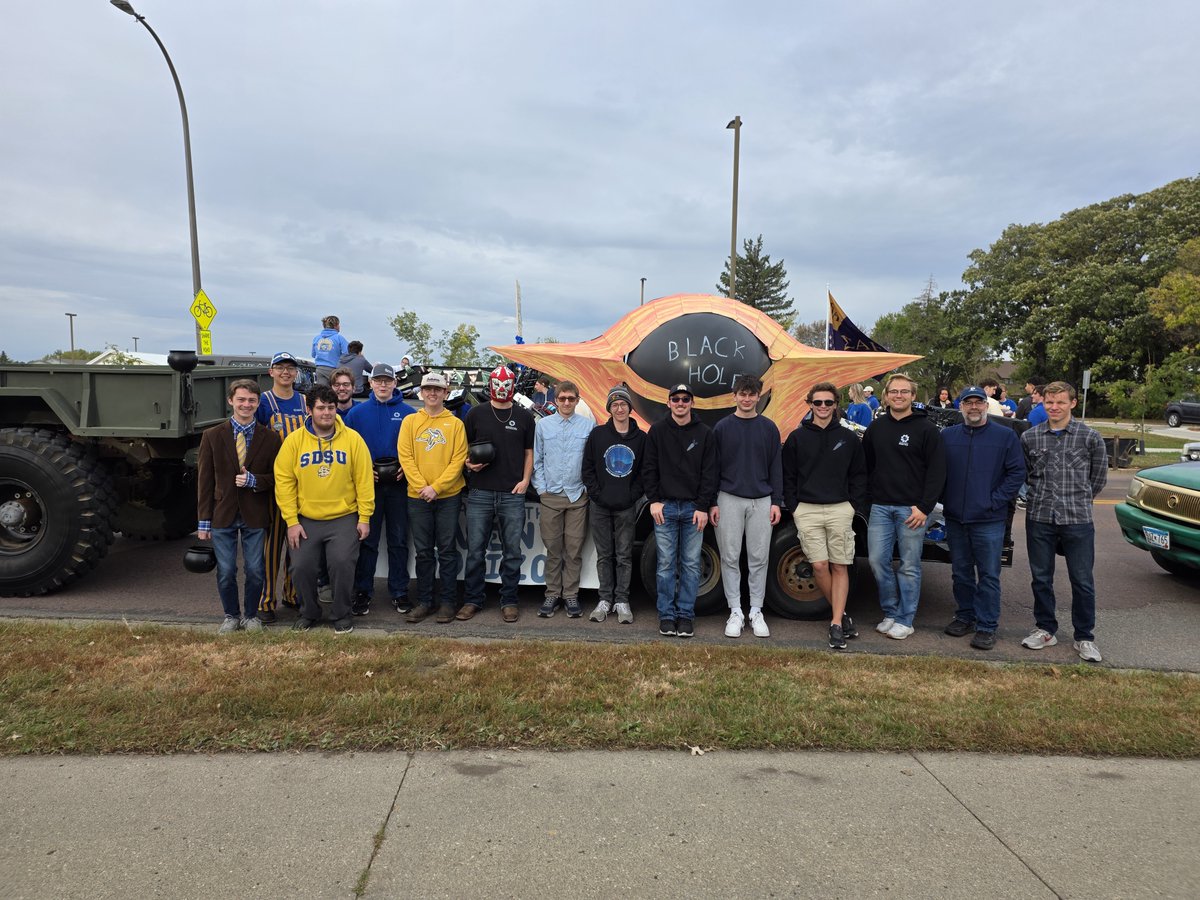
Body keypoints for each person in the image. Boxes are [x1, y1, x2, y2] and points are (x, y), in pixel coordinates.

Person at [274, 384, 374, 634]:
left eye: (331, 407)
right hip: (306, 518)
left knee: (341, 563)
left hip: (343, 516)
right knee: (301, 566)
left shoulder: (353, 439)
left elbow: (363, 480)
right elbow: (284, 481)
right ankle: (309, 612)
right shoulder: (294, 441)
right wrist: (291, 521)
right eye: (321, 408)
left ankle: (341, 614)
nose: (327, 413)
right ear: (310, 410)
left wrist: (364, 517)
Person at [1020, 381, 1108, 662]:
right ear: (1042, 404)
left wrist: (1078, 499)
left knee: (1082, 580)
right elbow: (1026, 475)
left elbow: (1098, 478)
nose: (1054, 407)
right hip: (1040, 517)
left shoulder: (1089, 437)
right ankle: (1045, 629)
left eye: (1059, 402)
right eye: (1049, 402)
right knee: (1041, 578)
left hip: (1077, 519)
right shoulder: (1031, 438)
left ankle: (1084, 636)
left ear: (1072, 403)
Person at [782, 381, 868, 650]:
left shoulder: (848, 438)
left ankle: (835, 624)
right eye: (817, 402)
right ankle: (841, 615)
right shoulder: (797, 438)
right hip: (806, 509)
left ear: (835, 405)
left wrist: (852, 505)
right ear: (809, 405)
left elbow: (859, 475)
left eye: (828, 402)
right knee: (819, 566)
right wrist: (794, 506)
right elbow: (788, 476)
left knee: (840, 566)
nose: (822, 407)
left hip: (840, 509)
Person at [940, 386, 1026, 650]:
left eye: (979, 402)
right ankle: (965, 615)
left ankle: (987, 625)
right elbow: (936, 471)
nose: (974, 407)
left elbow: (1016, 473)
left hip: (989, 520)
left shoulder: (1004, 436)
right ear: (961, 407)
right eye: (969, 403)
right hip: (956, 518)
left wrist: (993, 502)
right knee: (961, 572)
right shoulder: (947, 436)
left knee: (988, 575)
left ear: (986, 406)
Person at [862, 373, 946, 640]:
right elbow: (867, 465)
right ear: (886, 396)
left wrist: (923, 507)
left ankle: (905, 619)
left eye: (904, 392)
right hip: (881, 508)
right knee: (877, 561)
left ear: (913, 396)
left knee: (909, 565)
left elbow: (937, 472)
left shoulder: (927, 430)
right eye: (894, 391)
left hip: (912, 510)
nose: (898, 396)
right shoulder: (876, 428)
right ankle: (890, 612)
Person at [196, 379, 282, 634]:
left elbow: (278, 477)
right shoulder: (212, 436)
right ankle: (231, 615)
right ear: (231, 401)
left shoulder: (270, 438)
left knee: (256, 570)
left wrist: (254, 480)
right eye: (241, 399)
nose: (246, 405)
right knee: (226, 570)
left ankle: (252, 615)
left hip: (255, 513)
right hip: (223, 513)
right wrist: (204, 521)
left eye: (252, 400)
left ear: (258, 403)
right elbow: (205, 480)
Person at [460, 364, 535, 624]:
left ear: (513, 386)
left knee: (512, 550)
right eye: (497, 383)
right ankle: (473, 599)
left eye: (506, 384)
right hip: (480, 491)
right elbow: (464, 449)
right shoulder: (475, 414)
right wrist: (468, 465)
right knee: (475, 550)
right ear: (490, 384)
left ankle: (509, 600)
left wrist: (526, 480)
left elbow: (529, 452)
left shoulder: (525, 416)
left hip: (512, 492)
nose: (501, 388)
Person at [643, 383, 718, 638]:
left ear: (692, 403)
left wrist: (702, 506)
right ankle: (666, 615)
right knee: (665, 565)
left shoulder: (705, 433)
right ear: (668, 403)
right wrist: (653, 500)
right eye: (676, 399)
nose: (680, 403)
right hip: (664, 507)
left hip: (693, 510)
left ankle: (685, 615)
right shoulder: (657, 431)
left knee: (691, 564)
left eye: (685, 399)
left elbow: (710, 473)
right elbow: (649, 468)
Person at [709, 375, 782, 639]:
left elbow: (776, 467)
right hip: (728, 498)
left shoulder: (769, 428)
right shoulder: (722, 428)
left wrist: (776, 501)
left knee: (758, 558)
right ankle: (735, 611)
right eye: (743, 394)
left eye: (752, 394)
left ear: (759, 397)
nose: (747, 399)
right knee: (729, 557)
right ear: (735, 396)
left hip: (761, 500)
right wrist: (712, 502)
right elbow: (713, 468)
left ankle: (756, 610)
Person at [397, 372, 468, 624]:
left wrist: (436, 488)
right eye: (428, 389)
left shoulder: (456, 424)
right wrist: (421, 486)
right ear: (421, 392)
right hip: (417, 497)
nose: (432, 393)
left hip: (448, 496)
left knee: (448, 550)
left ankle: (448, 602)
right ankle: (425, 601)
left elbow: (458, 460)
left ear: (446, 393)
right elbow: (405, 457)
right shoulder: (410, 422)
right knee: (424, 552)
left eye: (437, 390)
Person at [344, 363, 414, 617]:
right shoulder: (356, 413)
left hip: (398, 484)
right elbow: (347, 450)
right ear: (370, 383)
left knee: (398, 541)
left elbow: (414, 449)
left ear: (395, 383)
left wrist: (407, 467)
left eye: (388, 380)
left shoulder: (409, 413)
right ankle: (363, 591)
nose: (383, 385)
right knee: (367, 541)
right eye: (378, 380)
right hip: (368, 485)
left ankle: (399, 591)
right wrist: (360, 472)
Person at [582, 385, 645, 625]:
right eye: (615, 405)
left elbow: (644, 473)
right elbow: (587, 468)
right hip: (600, 504)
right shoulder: (598, 435)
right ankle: (605, 599)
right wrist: (597, 494)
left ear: (630, 408)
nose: (620, 408)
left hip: (626, 506)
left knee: (624, 555)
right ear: (609, 409)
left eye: (623, 404)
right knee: (604, 554)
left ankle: (622, 601)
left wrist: (632, 495)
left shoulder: (641, 438)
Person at [254, 351, 308, 622]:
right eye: (280, 367)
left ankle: (292, 593)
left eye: (290, 368)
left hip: (304, 484)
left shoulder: (305, 401)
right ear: (271, 372)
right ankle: (265, 601)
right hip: (276, 483)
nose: (286, 372)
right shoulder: (263, 402)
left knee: (297, 543)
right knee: (271, 546)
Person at [533, 380, 592, 618]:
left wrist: (586, 489)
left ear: (577, 400)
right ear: (555, 400)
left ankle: (570, 595)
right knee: (553, 548)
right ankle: (552, 594)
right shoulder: (543, 426)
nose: (566, 402)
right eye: (562, 398)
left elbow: (591, 461)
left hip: (578, 496)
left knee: (574, 549)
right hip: (551, 496)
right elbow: (537, 460)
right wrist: (542, 490)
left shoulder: (588, 426)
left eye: (571, 398)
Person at [312, 315, 349, 385]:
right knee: (336, 391)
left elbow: (313, 354)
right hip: (333, 369)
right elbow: (347, 353)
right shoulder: (339, 338)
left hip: (319, 369)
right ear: (335, 325)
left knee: (323, 392)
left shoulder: (316, 338)